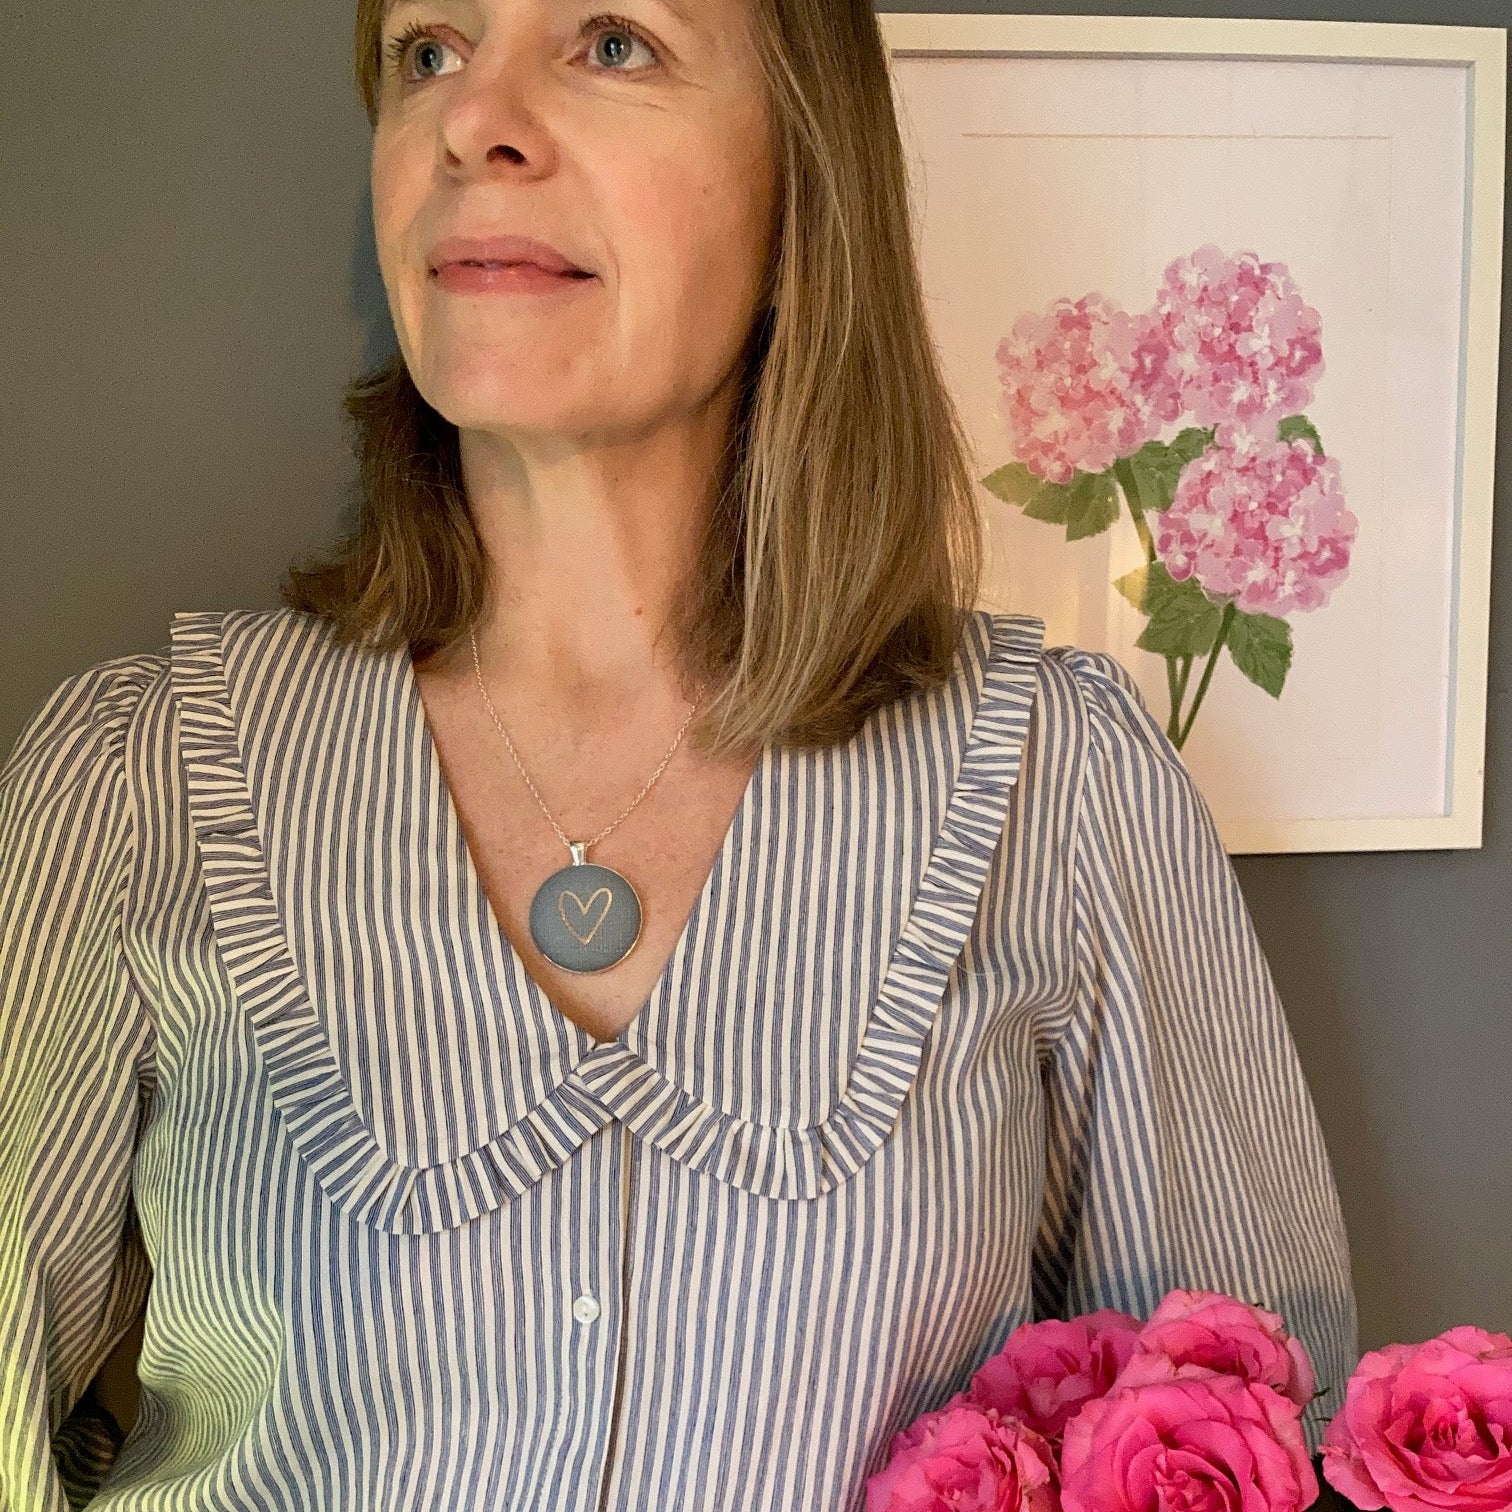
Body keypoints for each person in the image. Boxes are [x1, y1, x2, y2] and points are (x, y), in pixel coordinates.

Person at [0, 0, 1358, 1507]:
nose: (472, 121)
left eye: (613, 42)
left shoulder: (1061, 781)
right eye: (428, 53)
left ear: (802, 179)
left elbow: (1252, 1434)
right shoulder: (135, 778)